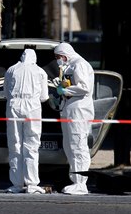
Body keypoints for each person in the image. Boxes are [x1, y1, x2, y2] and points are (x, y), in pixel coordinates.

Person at [3, 49, 49, 194]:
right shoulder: (40, 71)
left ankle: (16, 184)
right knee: (32, 144)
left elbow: (5, 92)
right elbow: (44, 97)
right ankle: (32, 184)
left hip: (13, 106)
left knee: (14, 144)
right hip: (33, 106)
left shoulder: (11, 70)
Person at [52, 42, 95, 195]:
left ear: (65, 54)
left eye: (58, 57)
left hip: (79, 111)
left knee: (78, 146)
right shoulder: (69, 66)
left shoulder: (80, 64)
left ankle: (81, 183)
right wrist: (61, 84)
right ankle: (75, 181)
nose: (58, 59)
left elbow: (84, 87)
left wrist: (65, 89)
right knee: (70, 147)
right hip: (69, 110)